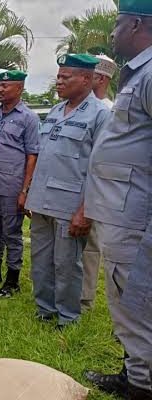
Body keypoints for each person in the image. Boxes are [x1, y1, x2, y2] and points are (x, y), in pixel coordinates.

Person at [83, 2, 152, 398]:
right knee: (125, 299)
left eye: (117, 23)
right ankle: (133, 373)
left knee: (136, 301)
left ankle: (143, 385)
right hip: (121, 209)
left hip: (136, 212)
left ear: (137, 23)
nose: (113, 33)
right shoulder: (138, 74)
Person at [25, 54, 109, 329]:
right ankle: (44, 310)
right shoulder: (55, 111)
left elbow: (101, 169)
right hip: (41, 201)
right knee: (40, 262)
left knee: (67, 265)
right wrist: (28, 192)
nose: (58, 82)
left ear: (86, 79)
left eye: (65, 77)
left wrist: (85, 211)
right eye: (58, 76)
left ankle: (67, 317)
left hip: (70, 203)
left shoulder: (100, 115)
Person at [0, 71, 40, 297]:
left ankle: (12, 280)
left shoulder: (29, 118)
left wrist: (25, 191)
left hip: (11, 186)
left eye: (5, 86)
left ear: (20, 88)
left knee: (12, 234)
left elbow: (32, 156)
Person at [81, 53, 118, 311]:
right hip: (70, 185)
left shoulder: (109, 110)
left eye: (88, 74)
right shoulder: (74, 106)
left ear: (100, 77)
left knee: (90, 246)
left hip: (95, 190)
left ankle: (84, 299)